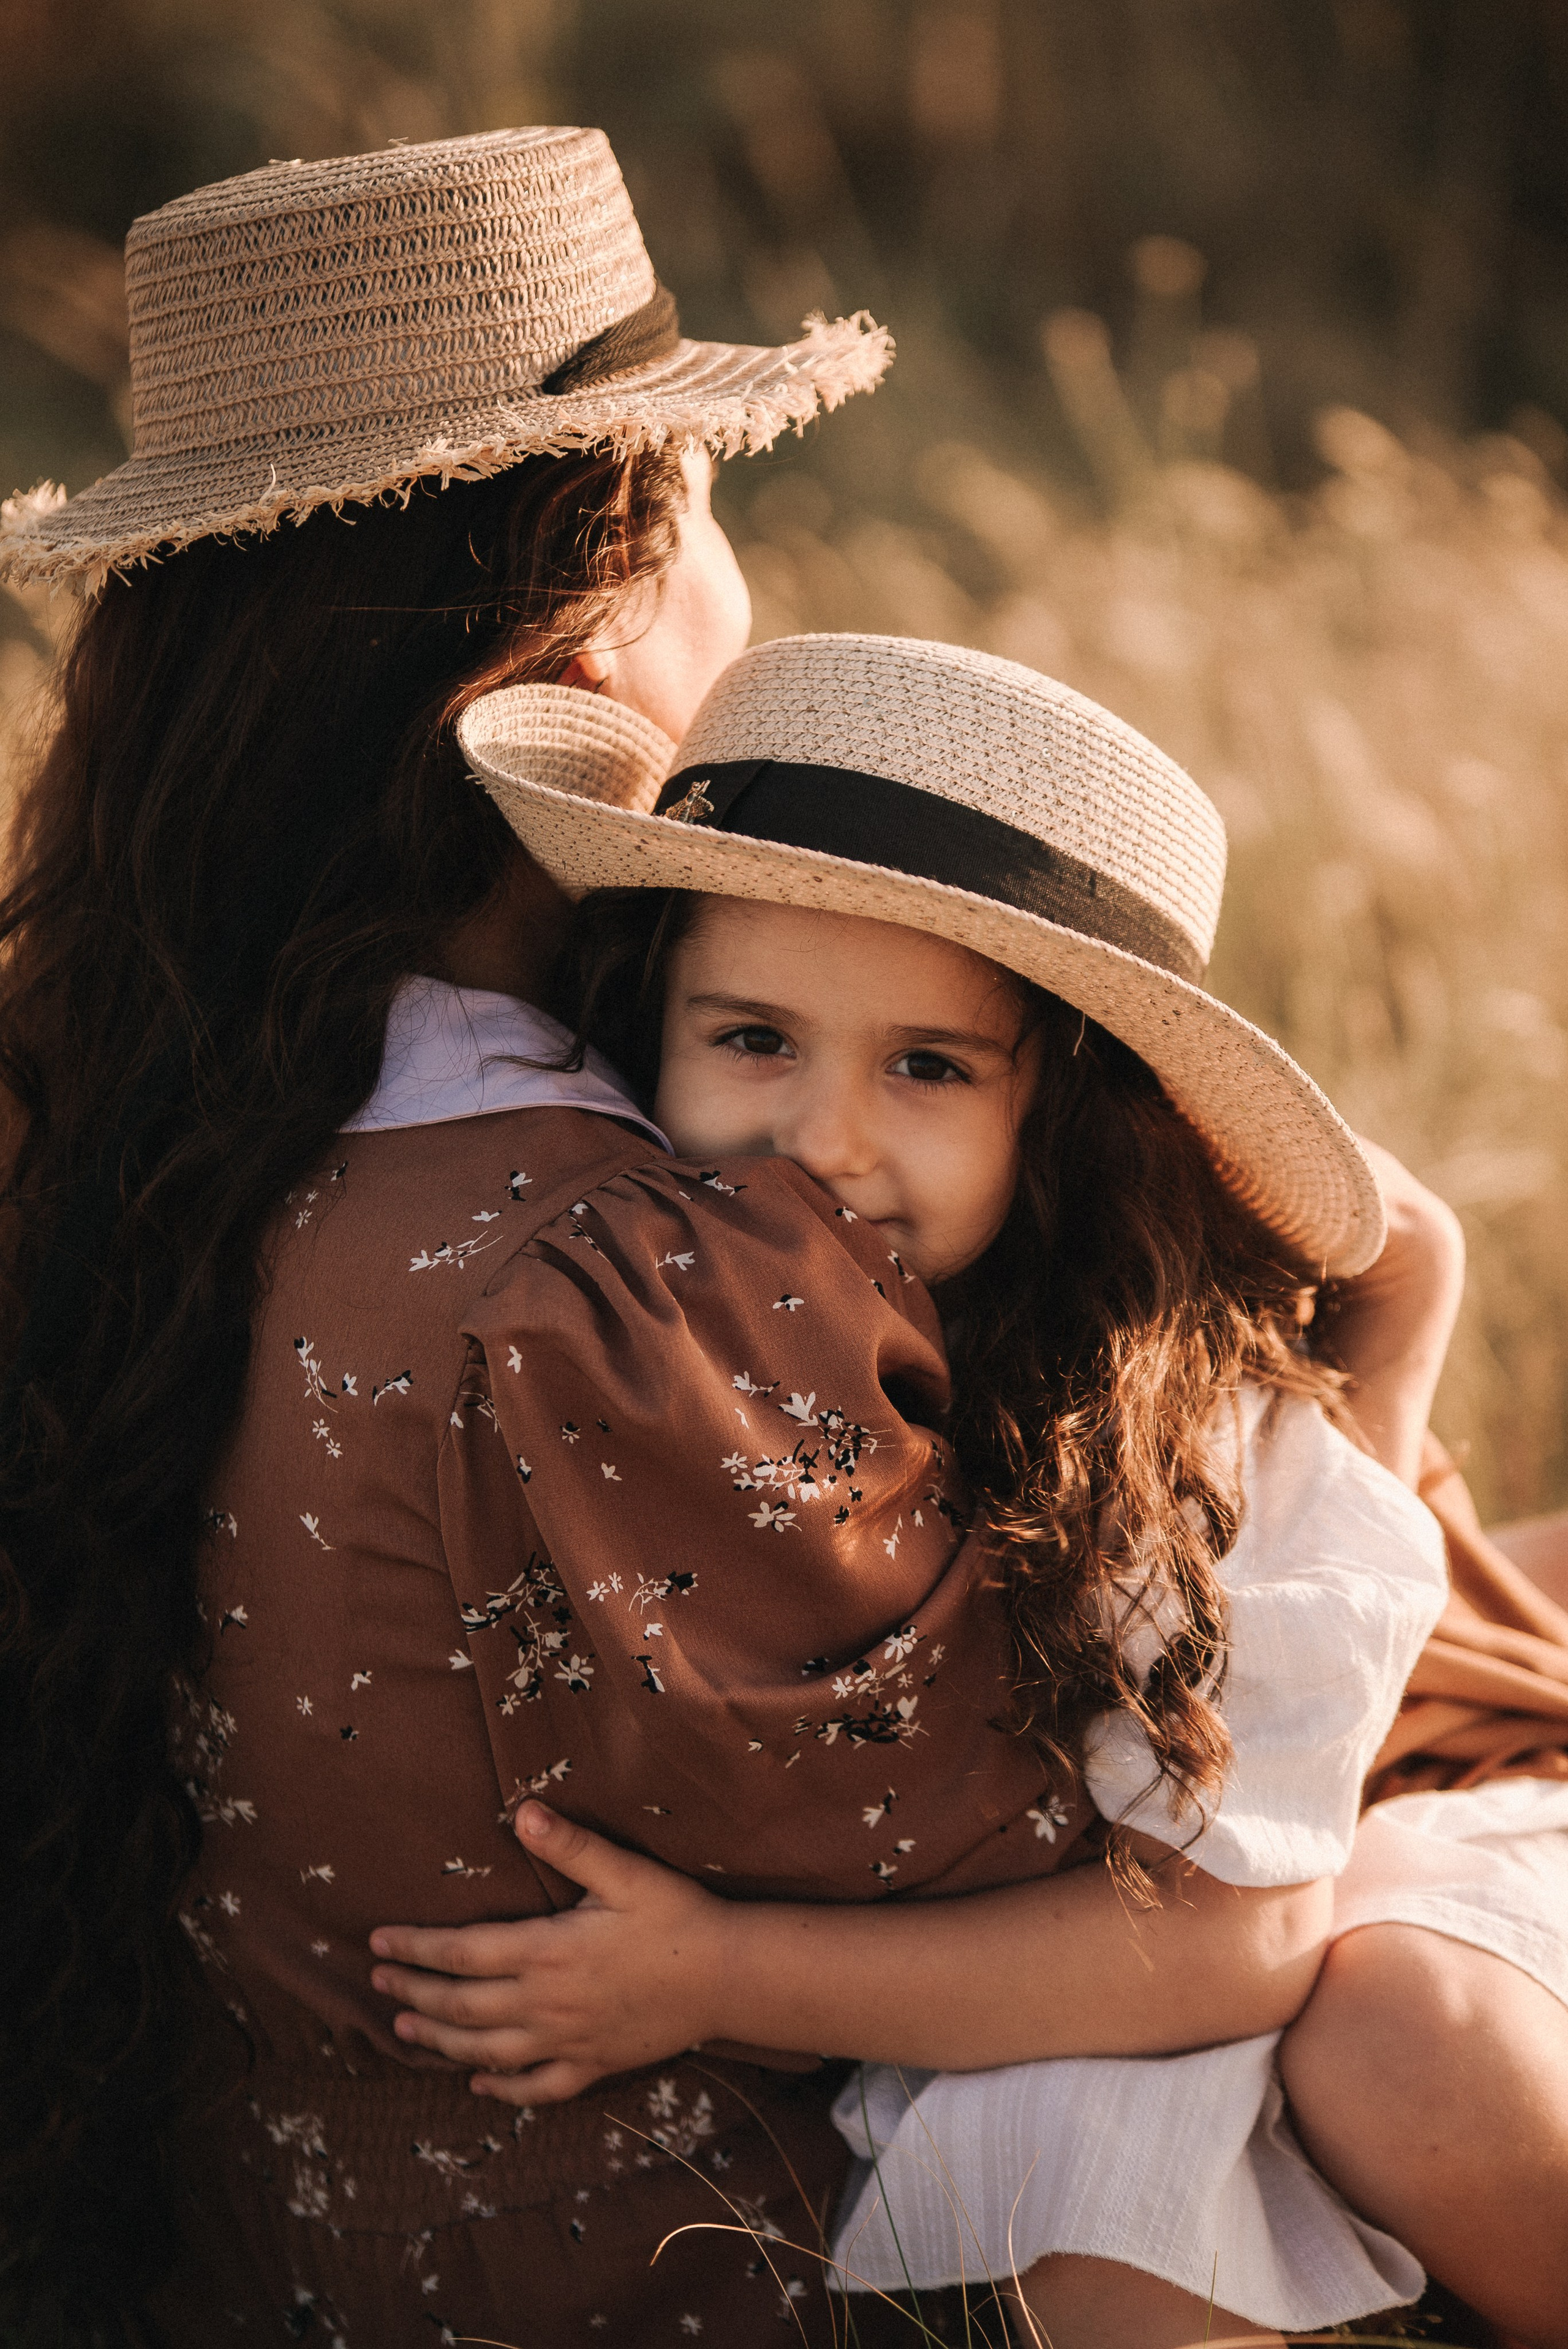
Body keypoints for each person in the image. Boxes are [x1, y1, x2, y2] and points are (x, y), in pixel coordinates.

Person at [366, 630, 1567, 2349]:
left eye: (928, 1065)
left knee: (1401, 2046)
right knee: (1059, 2211)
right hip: (1090, 1955)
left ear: (1060, 1108)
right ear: (652, 1028)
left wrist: (713, 1970)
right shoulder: (665, 1327)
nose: (826, 1138)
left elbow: (1241, 1936)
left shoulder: (1156, 1418)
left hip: (1377, 1846)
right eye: (755, 1036)